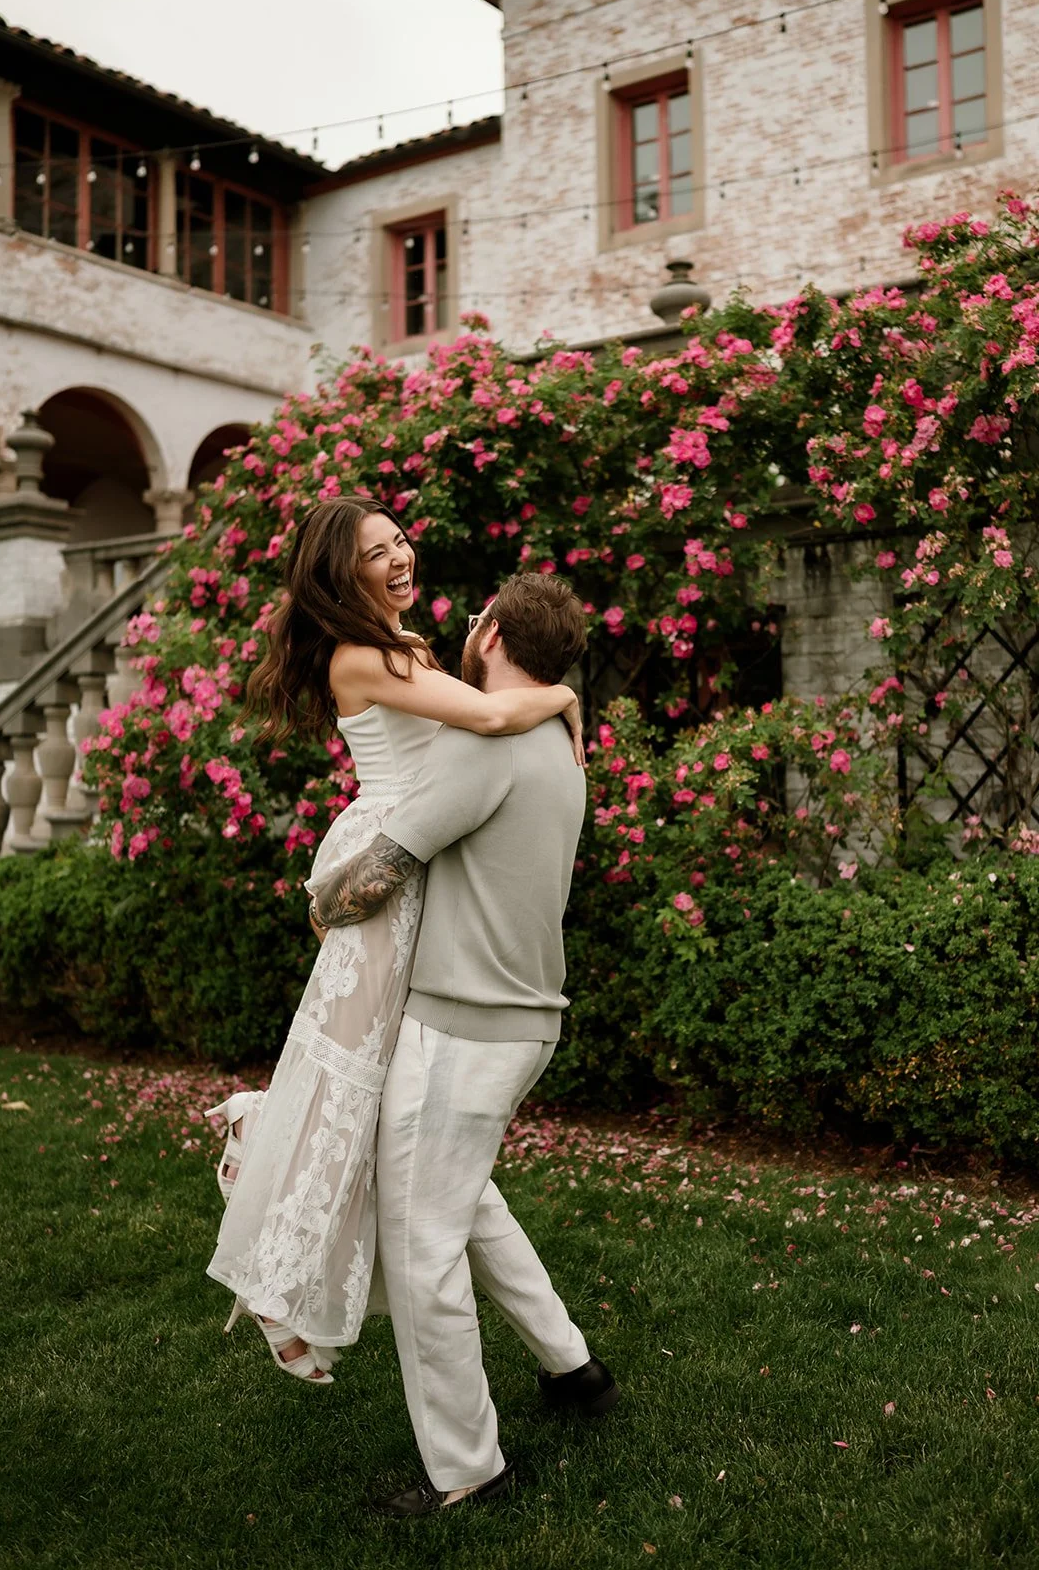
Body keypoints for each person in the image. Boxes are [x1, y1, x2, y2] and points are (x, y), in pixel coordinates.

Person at [205, 497, 583, 1384]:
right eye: (378, 552)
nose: (400, 556)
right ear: (345, 576)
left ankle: (569, 1362)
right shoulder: (361, 655)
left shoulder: (403, 647)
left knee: (396, 1118)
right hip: (393, 860)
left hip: (423, 860)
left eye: (400, 538)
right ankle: (276, 1267)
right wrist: (565, 690)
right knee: (352, 1072)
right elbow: (490, 721)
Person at [309, 573, 619, 1513]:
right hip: (519, 1021)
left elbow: (371, 880)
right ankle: (571, 1367)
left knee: (421, 1248)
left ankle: (466, 1472)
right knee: (462, 1196)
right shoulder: (559, 746)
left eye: (474, 617)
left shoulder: (485, 750)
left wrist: (320, 900)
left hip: (459, 1029)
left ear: (487, 636)